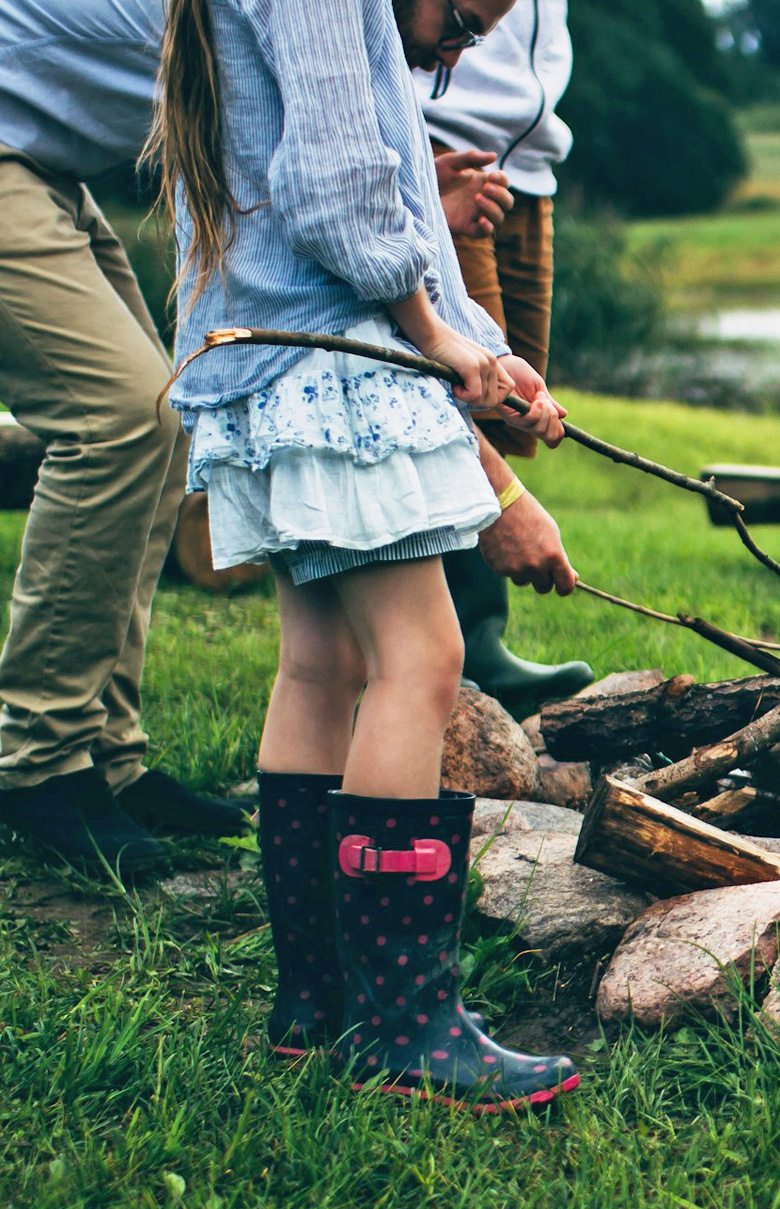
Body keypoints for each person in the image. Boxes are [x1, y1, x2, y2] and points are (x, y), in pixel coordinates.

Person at [149, 0, 579, 1108]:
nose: (461, 46)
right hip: (332, 366)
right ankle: (406, 1027)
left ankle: (320, 1004)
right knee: (421, 663)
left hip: (266, 360)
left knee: (322, 668)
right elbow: (340, 187)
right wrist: (439, 343)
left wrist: (489, 357)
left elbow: (376, 207)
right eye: (463, 16)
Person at [0, 0, 251, 879]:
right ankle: (37, 758)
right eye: (455, 21)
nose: (451, 50)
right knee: (122, 418)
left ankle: (106, 755)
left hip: (46, 167)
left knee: (164, 417)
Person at [418, 0, 593, 713]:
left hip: (532, 160)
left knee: (508, 407)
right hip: (443, 140)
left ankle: (473, 637)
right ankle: (449, 643)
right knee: (450, 391)